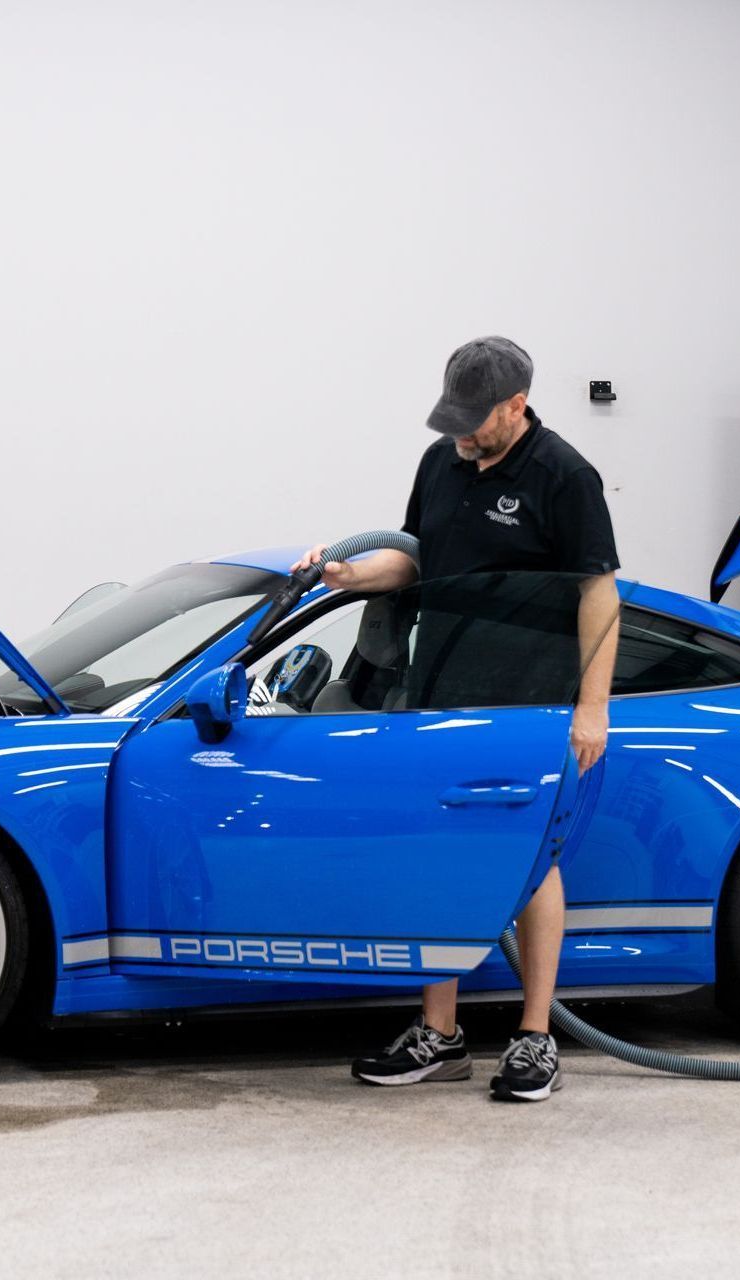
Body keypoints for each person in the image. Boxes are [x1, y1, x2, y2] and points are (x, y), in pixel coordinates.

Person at [291, 336, 620, 1101]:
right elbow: (413, 560)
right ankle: (440, 1035)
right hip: (438, 695)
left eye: (477, 423)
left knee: (533, 863)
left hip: (529, 703)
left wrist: (591, 708)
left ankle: (536, 1040)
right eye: (454, 421)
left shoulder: (565, 477)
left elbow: (599, 593)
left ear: (518, 404)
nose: (463, 436)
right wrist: (346, 575)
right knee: (438, 855)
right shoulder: (441, 462)